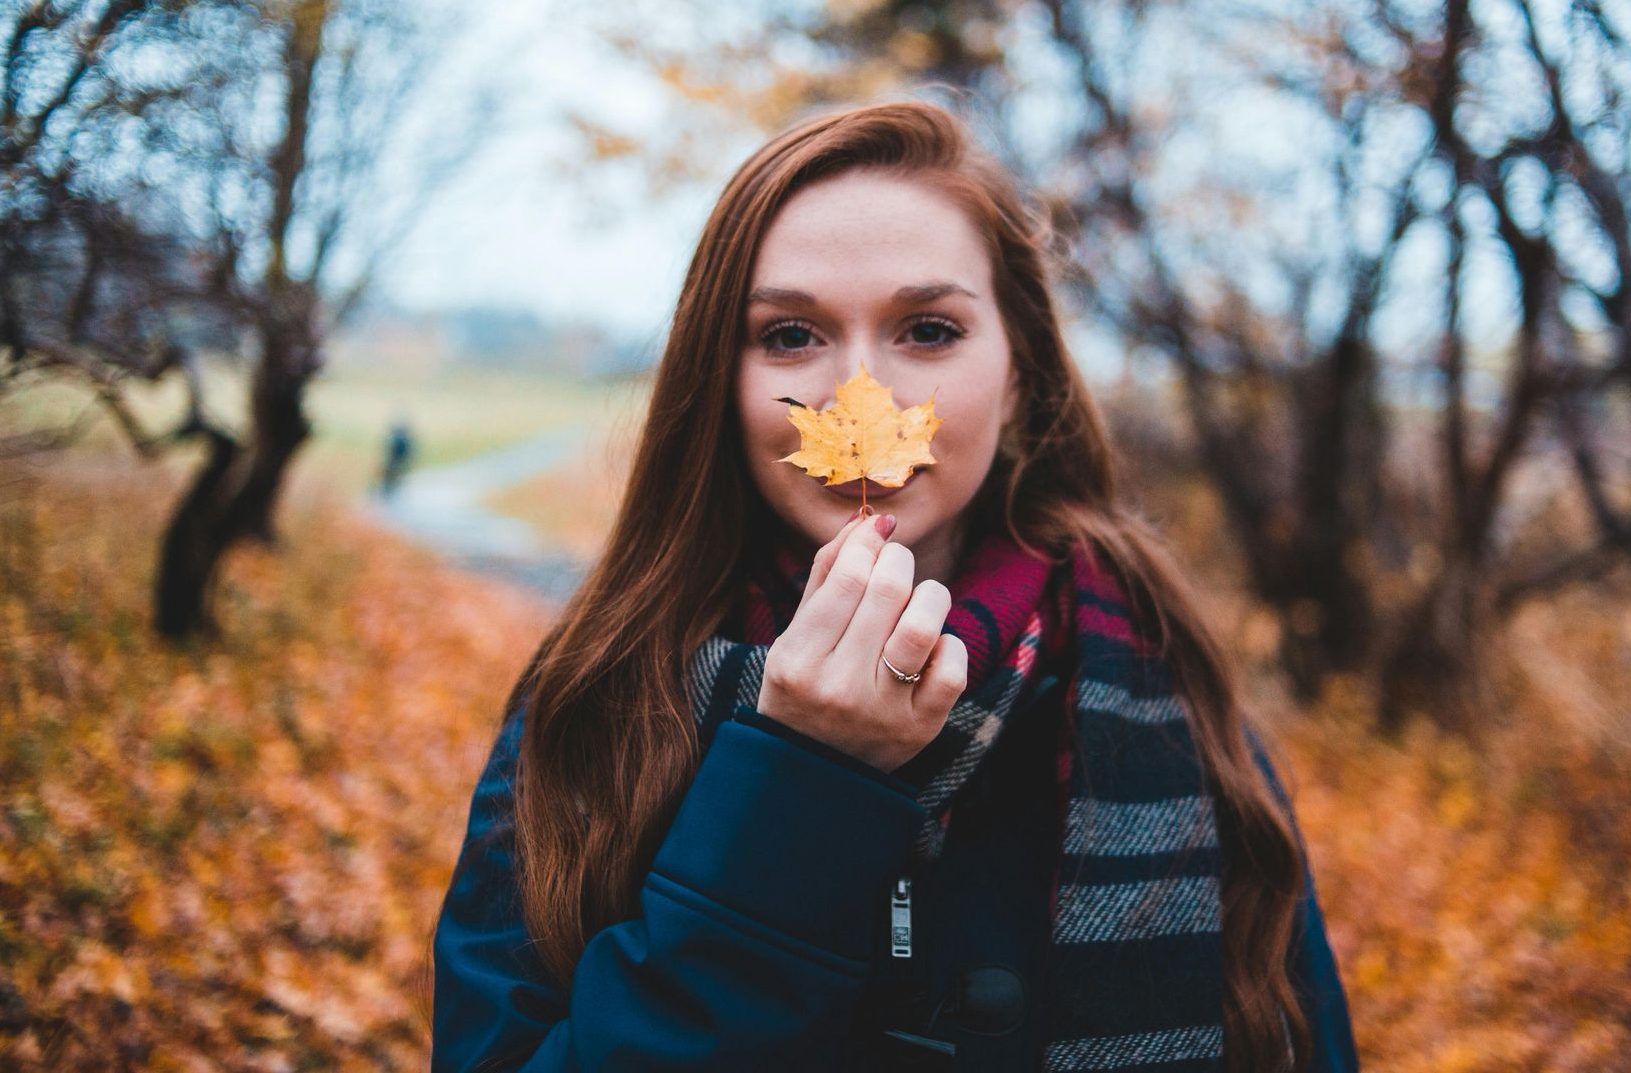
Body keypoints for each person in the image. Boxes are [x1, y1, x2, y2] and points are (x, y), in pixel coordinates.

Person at [431, 101, 1360, 1071]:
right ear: (718, 378)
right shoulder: (593, 706)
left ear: (1017, 374)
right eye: (790, 334)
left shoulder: (1170, 695)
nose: (857, 396)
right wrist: (793, 787)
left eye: (928, 328)